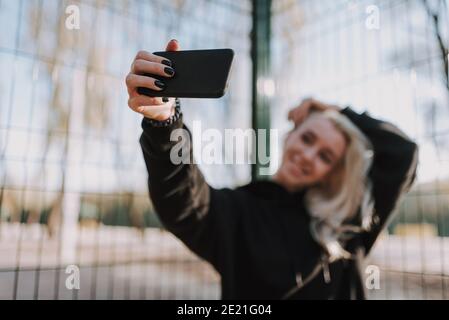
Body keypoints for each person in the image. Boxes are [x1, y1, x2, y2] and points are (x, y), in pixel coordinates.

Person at [125, 39, 418, 299]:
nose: (307, 155)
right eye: (307, 138)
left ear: (332, 171)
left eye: (325, 156)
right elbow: (184, 201)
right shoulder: (239, 212)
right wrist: (165, 123)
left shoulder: (347, 222)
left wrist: (331, 108)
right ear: (289, 135)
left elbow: (402, 154)